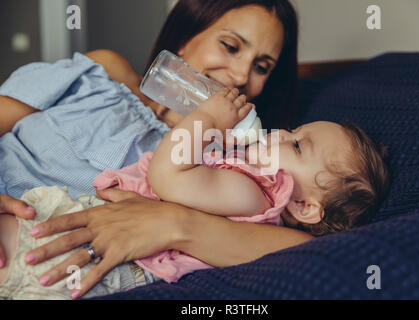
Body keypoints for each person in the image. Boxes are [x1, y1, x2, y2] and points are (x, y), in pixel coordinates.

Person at [0, 0, 382, 299]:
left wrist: (176, 225)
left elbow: (302, 244)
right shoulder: (104, 72)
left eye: (262, 66)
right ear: (185, 36)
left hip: (42, 256)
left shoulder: (225, 160)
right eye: (231, 46)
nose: (240, 77)